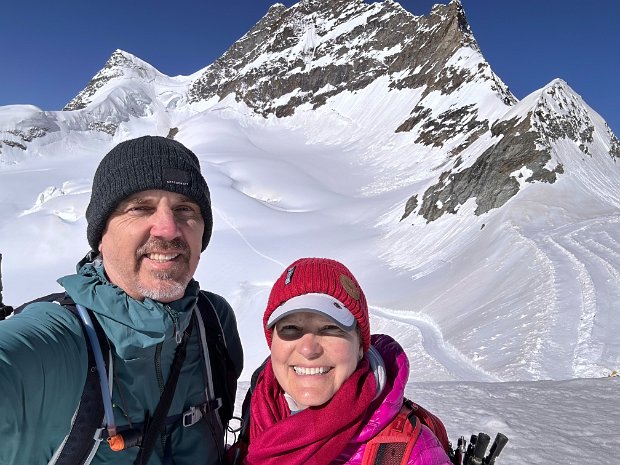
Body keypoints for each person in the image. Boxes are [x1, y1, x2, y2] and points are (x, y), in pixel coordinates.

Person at [0, 135, 243, 465]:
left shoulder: (212, 321)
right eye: (140, 208)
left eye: (185, 209)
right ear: (101, 234)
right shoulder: (58, 339)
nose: (168, 230)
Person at [231, 257, 452, 465]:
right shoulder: (260, 412)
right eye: (291, 328)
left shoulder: (412, 453)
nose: (308, 349)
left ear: (360, 347)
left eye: (330, 328)